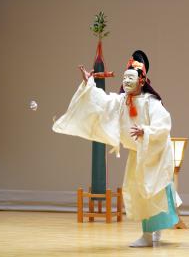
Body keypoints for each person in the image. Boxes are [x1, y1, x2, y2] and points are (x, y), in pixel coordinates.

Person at [53, 50, 178, 247]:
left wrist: (146, 131)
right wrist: (89, 84)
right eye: (124, 77)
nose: (127, 81)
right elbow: (101, 102)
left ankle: (151, 234)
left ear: (142, 81)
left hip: (154, 153)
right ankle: (150, 232)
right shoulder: (121, 101)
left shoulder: (150, 102)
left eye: (132, 77)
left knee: (153, 191)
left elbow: (164, 124)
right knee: (141, 192)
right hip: (139, 153)